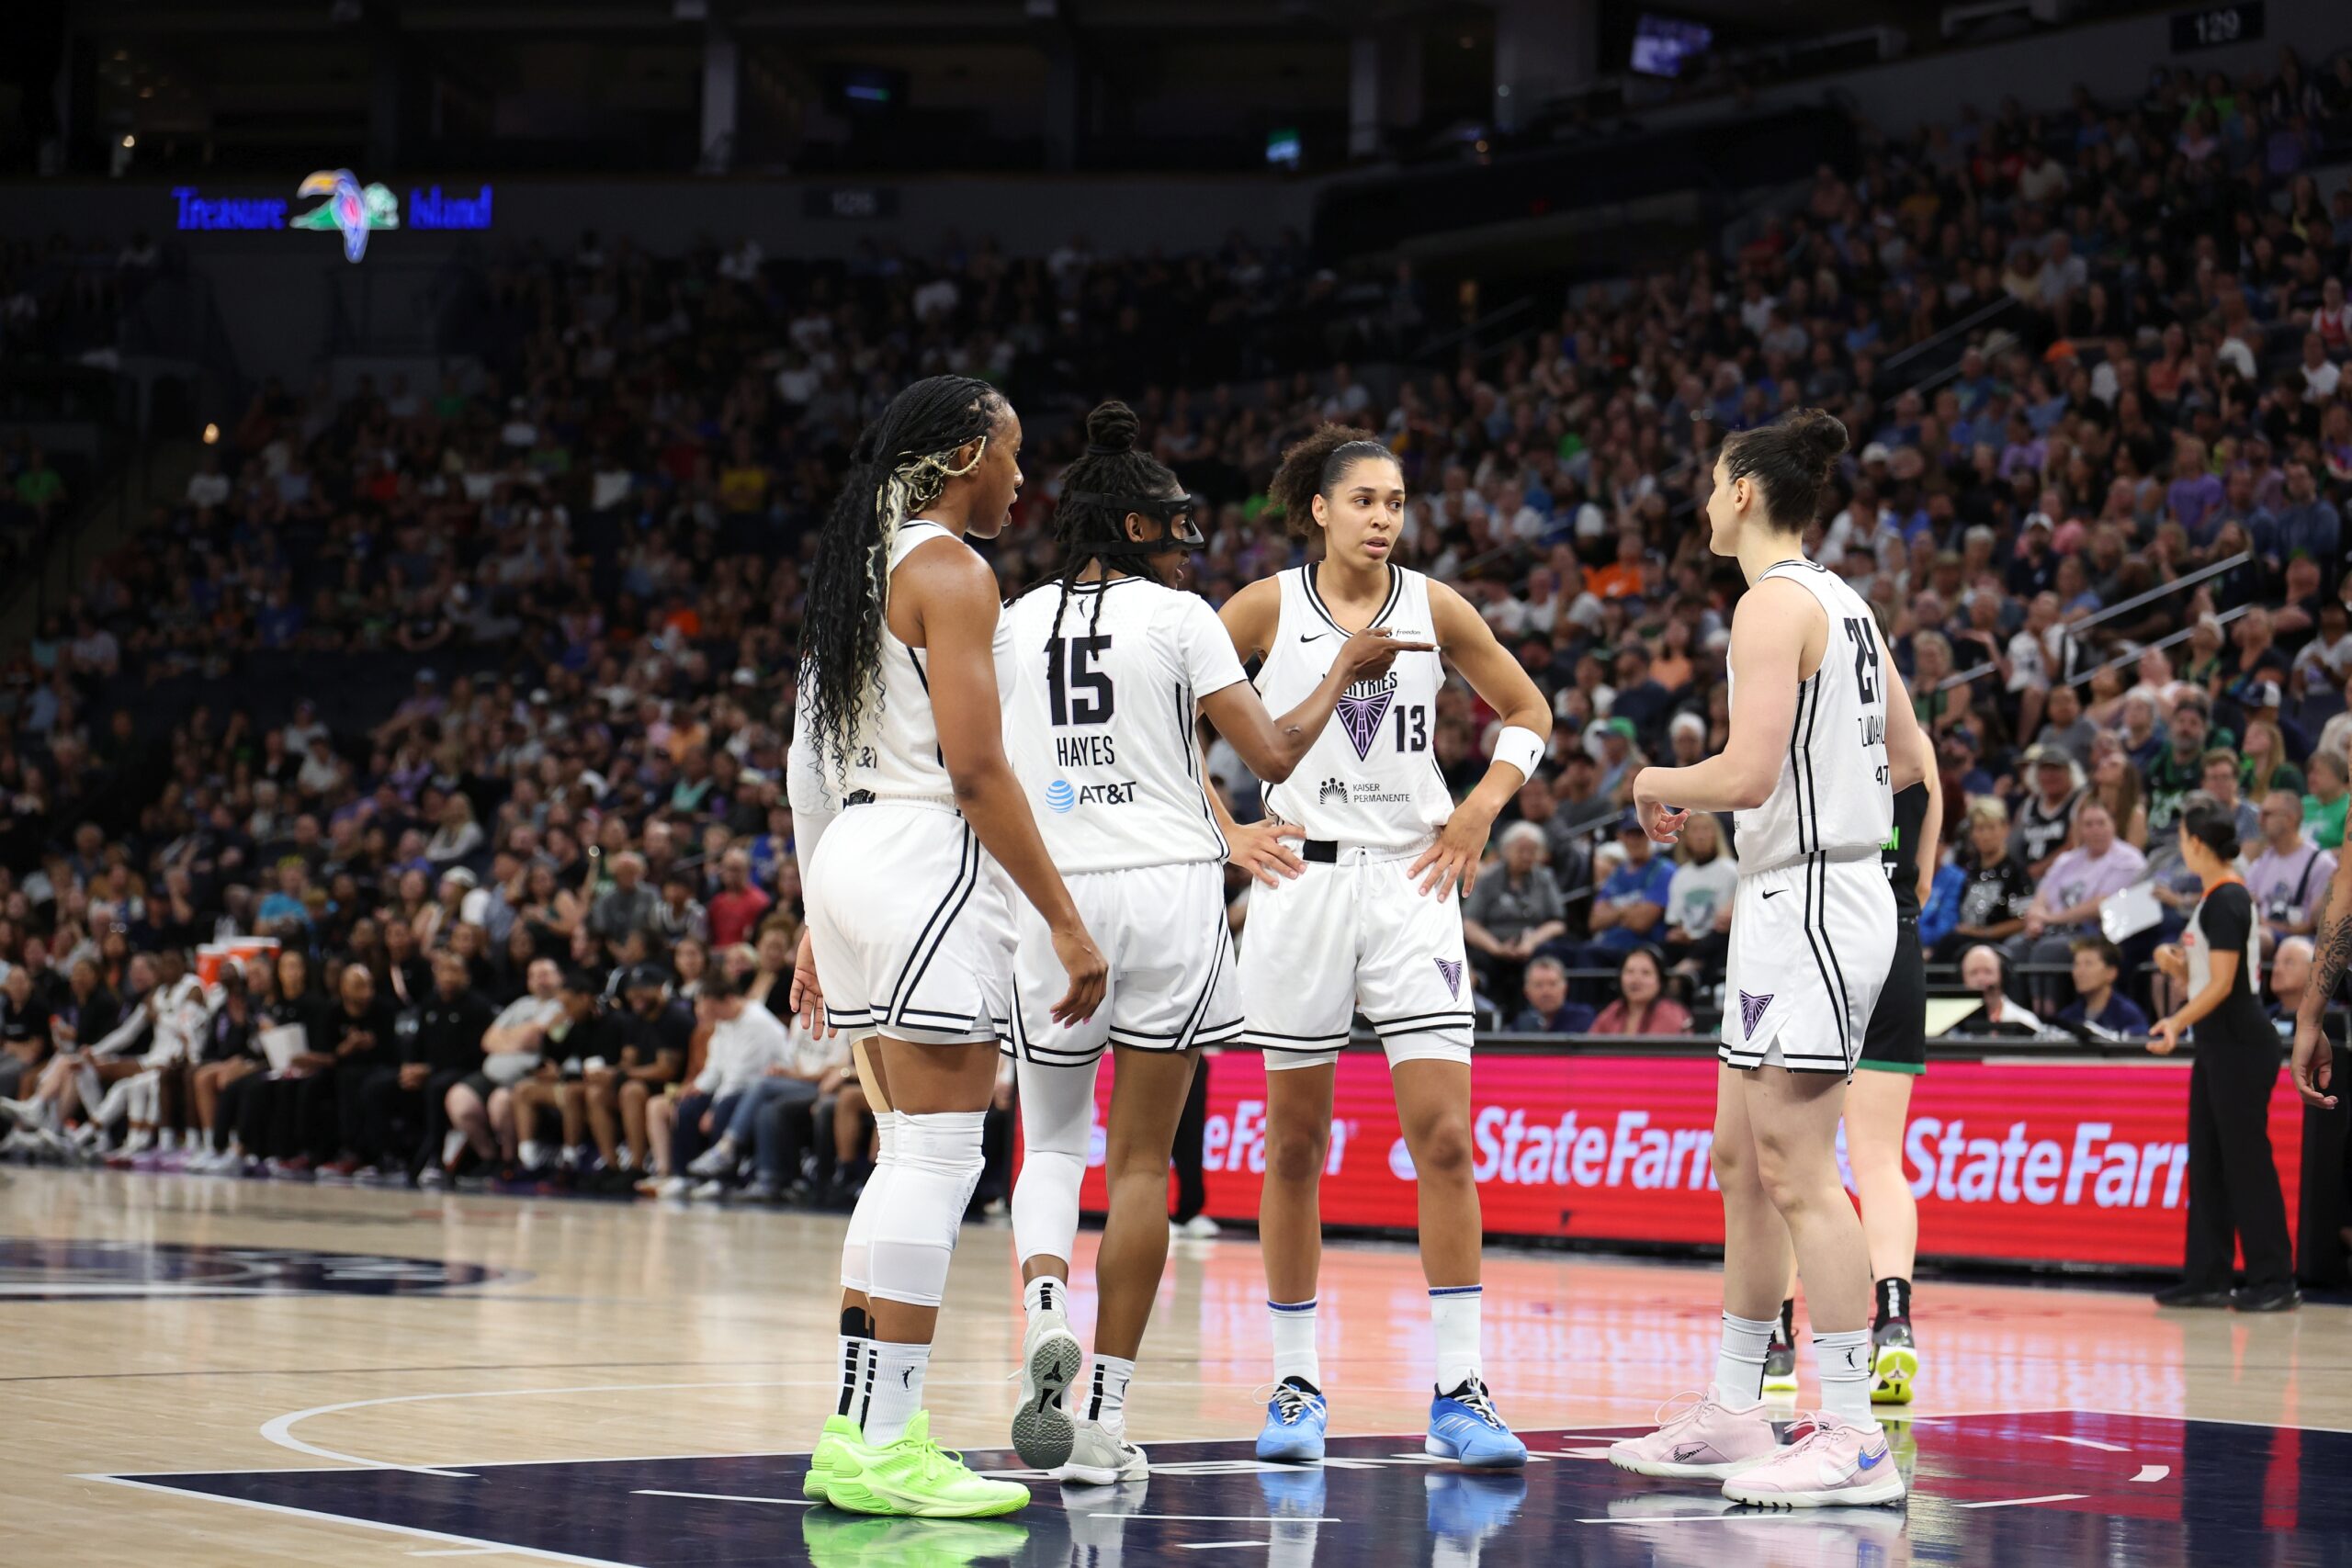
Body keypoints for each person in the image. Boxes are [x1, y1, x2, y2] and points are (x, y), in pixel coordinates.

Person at [1000, 400, 1420, 1484]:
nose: (1186, 540)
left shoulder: (1011, 621)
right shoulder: (1182, 619)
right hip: (1170, 890)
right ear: (1133, 527)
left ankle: (1045, 1304)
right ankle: (1101, 1416)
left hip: (1058, 890)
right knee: (1141, 1163)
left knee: (1049, 1144)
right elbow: (1277, 753)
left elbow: (986, 773)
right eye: (1169, 523)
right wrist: (1344, 674)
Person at [793, 375, 1106, 1519]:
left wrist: (813, 917)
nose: (1023, 478)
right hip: (928, 859)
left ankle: (863, 1432)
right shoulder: (952, 569)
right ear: (967, 451)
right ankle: (883, 1444)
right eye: (1014, 454)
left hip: (852, 861)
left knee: (901, 1153)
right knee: (935, 1158)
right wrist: (1065, 921)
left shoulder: (851, 573)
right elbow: (978, 770)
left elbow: (805, 765)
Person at [1215, 423, 1549, 1470]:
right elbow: (1165, 721)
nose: (1381, 519)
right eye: (1363, 500)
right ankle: (1295, 1385)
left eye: (1395, 503)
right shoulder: (1263, 607)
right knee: (1294, 1147)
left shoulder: (1434, 605)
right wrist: (1223, 829)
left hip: (1413, 879)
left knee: (1444, 1140)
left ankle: (1459, 1391)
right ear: (1318, 508)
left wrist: (1484, 804)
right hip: (1301, 879)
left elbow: (1530, 709)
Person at [1611, 409, 1927, 1508]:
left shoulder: (1770, 606)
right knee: (1739, 1159)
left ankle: (1851, 1434)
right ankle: (1740, 1406)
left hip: (1814, 899)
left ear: (1744, 490)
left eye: (1710, 481)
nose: (1704, 498)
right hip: (1790, 891)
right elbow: (1913, 754)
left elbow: (1743, 776)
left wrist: (1658, 781)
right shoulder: (1849, 603)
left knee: (1798, 1167)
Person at [1769, 771, 1942, 1406]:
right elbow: (1922, 877)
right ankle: (1893, 1317)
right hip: (1897, 944)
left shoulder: (1816, 729)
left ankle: (1778, 1341)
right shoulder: (1919, 750)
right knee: (1879, 1159)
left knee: (1793, 1159)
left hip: (1825, 935)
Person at [2151, 803, 2298, 1312]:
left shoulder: (2226, 899)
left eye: (2184, 837)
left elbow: (2222, 985)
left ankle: (2274, 1278)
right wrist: (2173, 963)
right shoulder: (2213, 899)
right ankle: (2207, 1276)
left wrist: (2174, 1021)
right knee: (2209, 1162)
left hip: (2240, 1043)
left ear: (2195, 843)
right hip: (2218, 1044)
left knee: (2246, 1164)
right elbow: (2204, 978)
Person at [1461, 822, 1566, 1005]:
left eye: (1533, 851)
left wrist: (1531, 942)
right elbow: (1469, 924)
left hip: (1531, 946)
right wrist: (1497, 948)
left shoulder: (1544, 878)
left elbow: (1557, 923)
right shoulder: (1488, 878)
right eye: (1521, 850)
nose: (1527, 856)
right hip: (1491, 946)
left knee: (1549, 955)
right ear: (1506, 850)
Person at [2246, 789, 2335, 947]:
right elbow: (2249, 897)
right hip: (2263, 931)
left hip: (2300, 942)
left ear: (2289, 819)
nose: (2260, 820)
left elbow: (2313, 925)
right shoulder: (2265, 859)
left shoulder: (2320, 863)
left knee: (2258, 939)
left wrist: (2265, 924)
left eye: (2267, 814)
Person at [2055, 937, 2151, 1040]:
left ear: (2111, 972)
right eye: (2076, 964)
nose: (2079, 972)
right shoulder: (2068, 1016)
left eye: (2088, 964)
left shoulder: (2129, 1016)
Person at [1586, 946, 1692, 1035]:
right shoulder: (1613, 1011)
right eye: (1630, 972)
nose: (1636, 980)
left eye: (1645, 973)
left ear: (1660, 980)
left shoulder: (1672, 1015)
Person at [1507, 956, 1594, 1033]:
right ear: (1526, 993)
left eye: (1552, 984)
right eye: (1538, 985)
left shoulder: (1582, 1018)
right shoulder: (1521, 1024)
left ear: (1565, 988)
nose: (1546, 992)